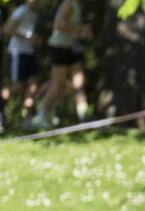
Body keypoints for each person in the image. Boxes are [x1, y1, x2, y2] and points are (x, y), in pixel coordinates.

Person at [32, 0, 91, 129]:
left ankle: (83, 117)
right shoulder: (68, 3)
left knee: (79, 83)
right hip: (59, 47)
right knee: (57, 85)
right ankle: (41, 113)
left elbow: (69, 29)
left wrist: (82, 33)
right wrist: (80, 29)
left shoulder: (76, 5)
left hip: (70, 48)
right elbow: (59, 25)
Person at [1, 0, 40, 132]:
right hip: (18, 52)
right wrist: (26, 37)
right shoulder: (21, 11)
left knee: (33, 86)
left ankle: (27, 119)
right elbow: (6, 29)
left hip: (29, 52)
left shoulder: (34, 13)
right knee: (17, 86)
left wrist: (34, 39)